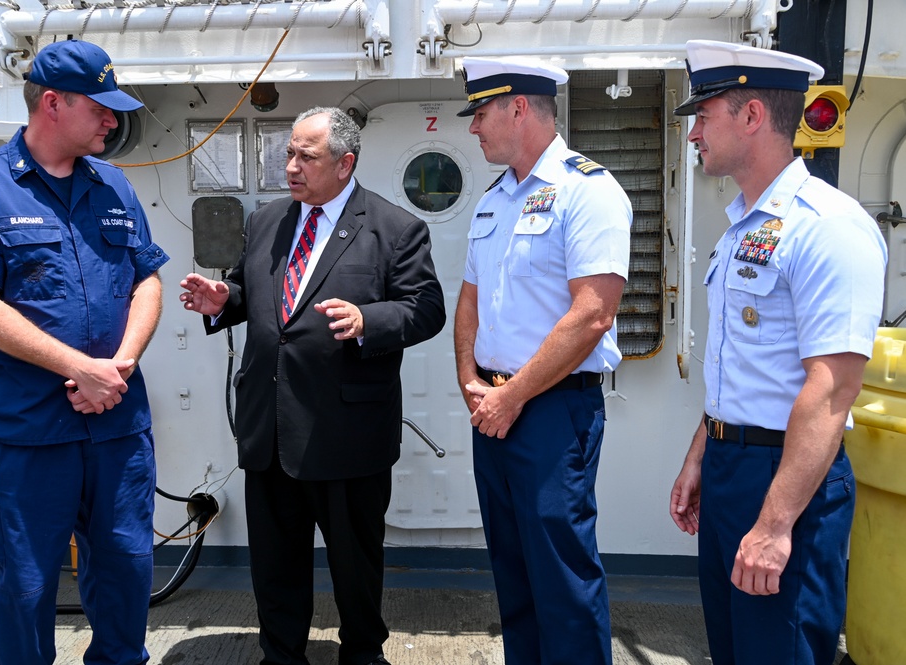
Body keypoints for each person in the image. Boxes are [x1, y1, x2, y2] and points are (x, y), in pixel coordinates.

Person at [180, 106, 445, 665]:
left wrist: (370, 321)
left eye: (306, 156)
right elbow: (270, 301)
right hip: (270, 428)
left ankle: (363, 656)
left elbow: (425, 310)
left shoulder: (395, 228)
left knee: (355, 567)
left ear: (345, 164)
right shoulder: (269, 220)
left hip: (345, 433)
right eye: (289, 153)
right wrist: (226, 301)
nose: (291, 166)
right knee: (275, 566)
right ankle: (281, 656)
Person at [0, 39, 167, 665]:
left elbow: (148, 279)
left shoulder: (115, 186)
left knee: (125, 576)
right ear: (53, 103)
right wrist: (78, 369)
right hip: (23, 436)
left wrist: (117, 367)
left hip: (115, 427)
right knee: (24, 588)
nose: (114, 120)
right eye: (102, 107)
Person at [669, 39, 887, 665]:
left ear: (753, 116)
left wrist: (772, 525)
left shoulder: (828, 227)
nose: (693, 136)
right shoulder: (744, 224)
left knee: (780, 651)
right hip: (732, 469)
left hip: (789, 480)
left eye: (703, 117)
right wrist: (701, 452)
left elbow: (833, 388)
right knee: (735, 651)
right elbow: (743, 363)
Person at [452, 57, 632, 665]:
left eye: (480, 113)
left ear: (518, 108)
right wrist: (471, 381)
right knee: (514, 571)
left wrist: (512, 394)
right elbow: (470, 300)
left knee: (562, 578)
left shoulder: (589, 190)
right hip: (494, 410)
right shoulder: (493, 200)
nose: (473, 128)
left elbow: (592, 315)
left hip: (553, 411)